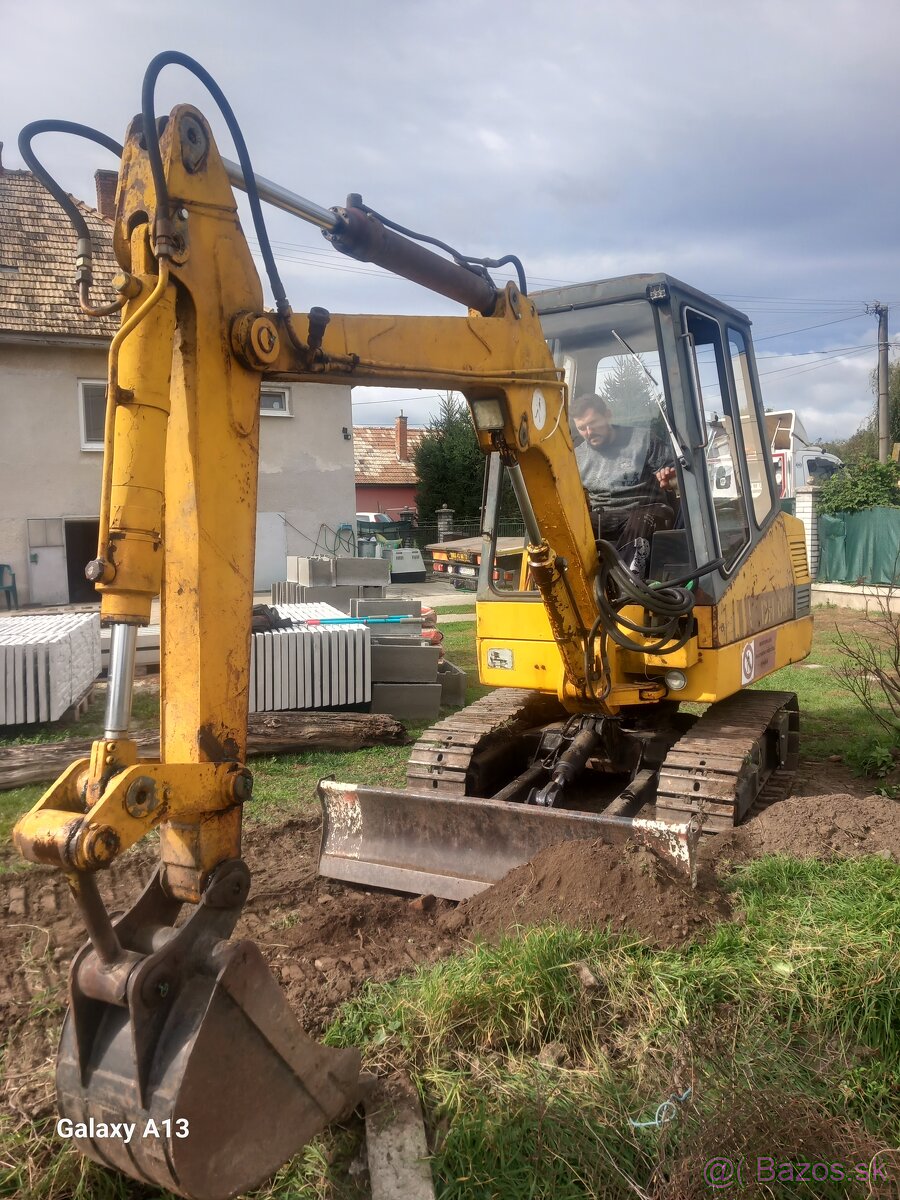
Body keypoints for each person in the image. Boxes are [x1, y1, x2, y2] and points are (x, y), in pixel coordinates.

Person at [571, 392, 677, 575]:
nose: (588, 432)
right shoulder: (577, 456)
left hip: (646, 510)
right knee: (571, 526)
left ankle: (626, 583)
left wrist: (669, 481)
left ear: (607, 415)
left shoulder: (642, 440)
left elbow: (677, 478)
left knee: (641, 522)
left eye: (593, 423)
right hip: (603, 516)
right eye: (582, 428)